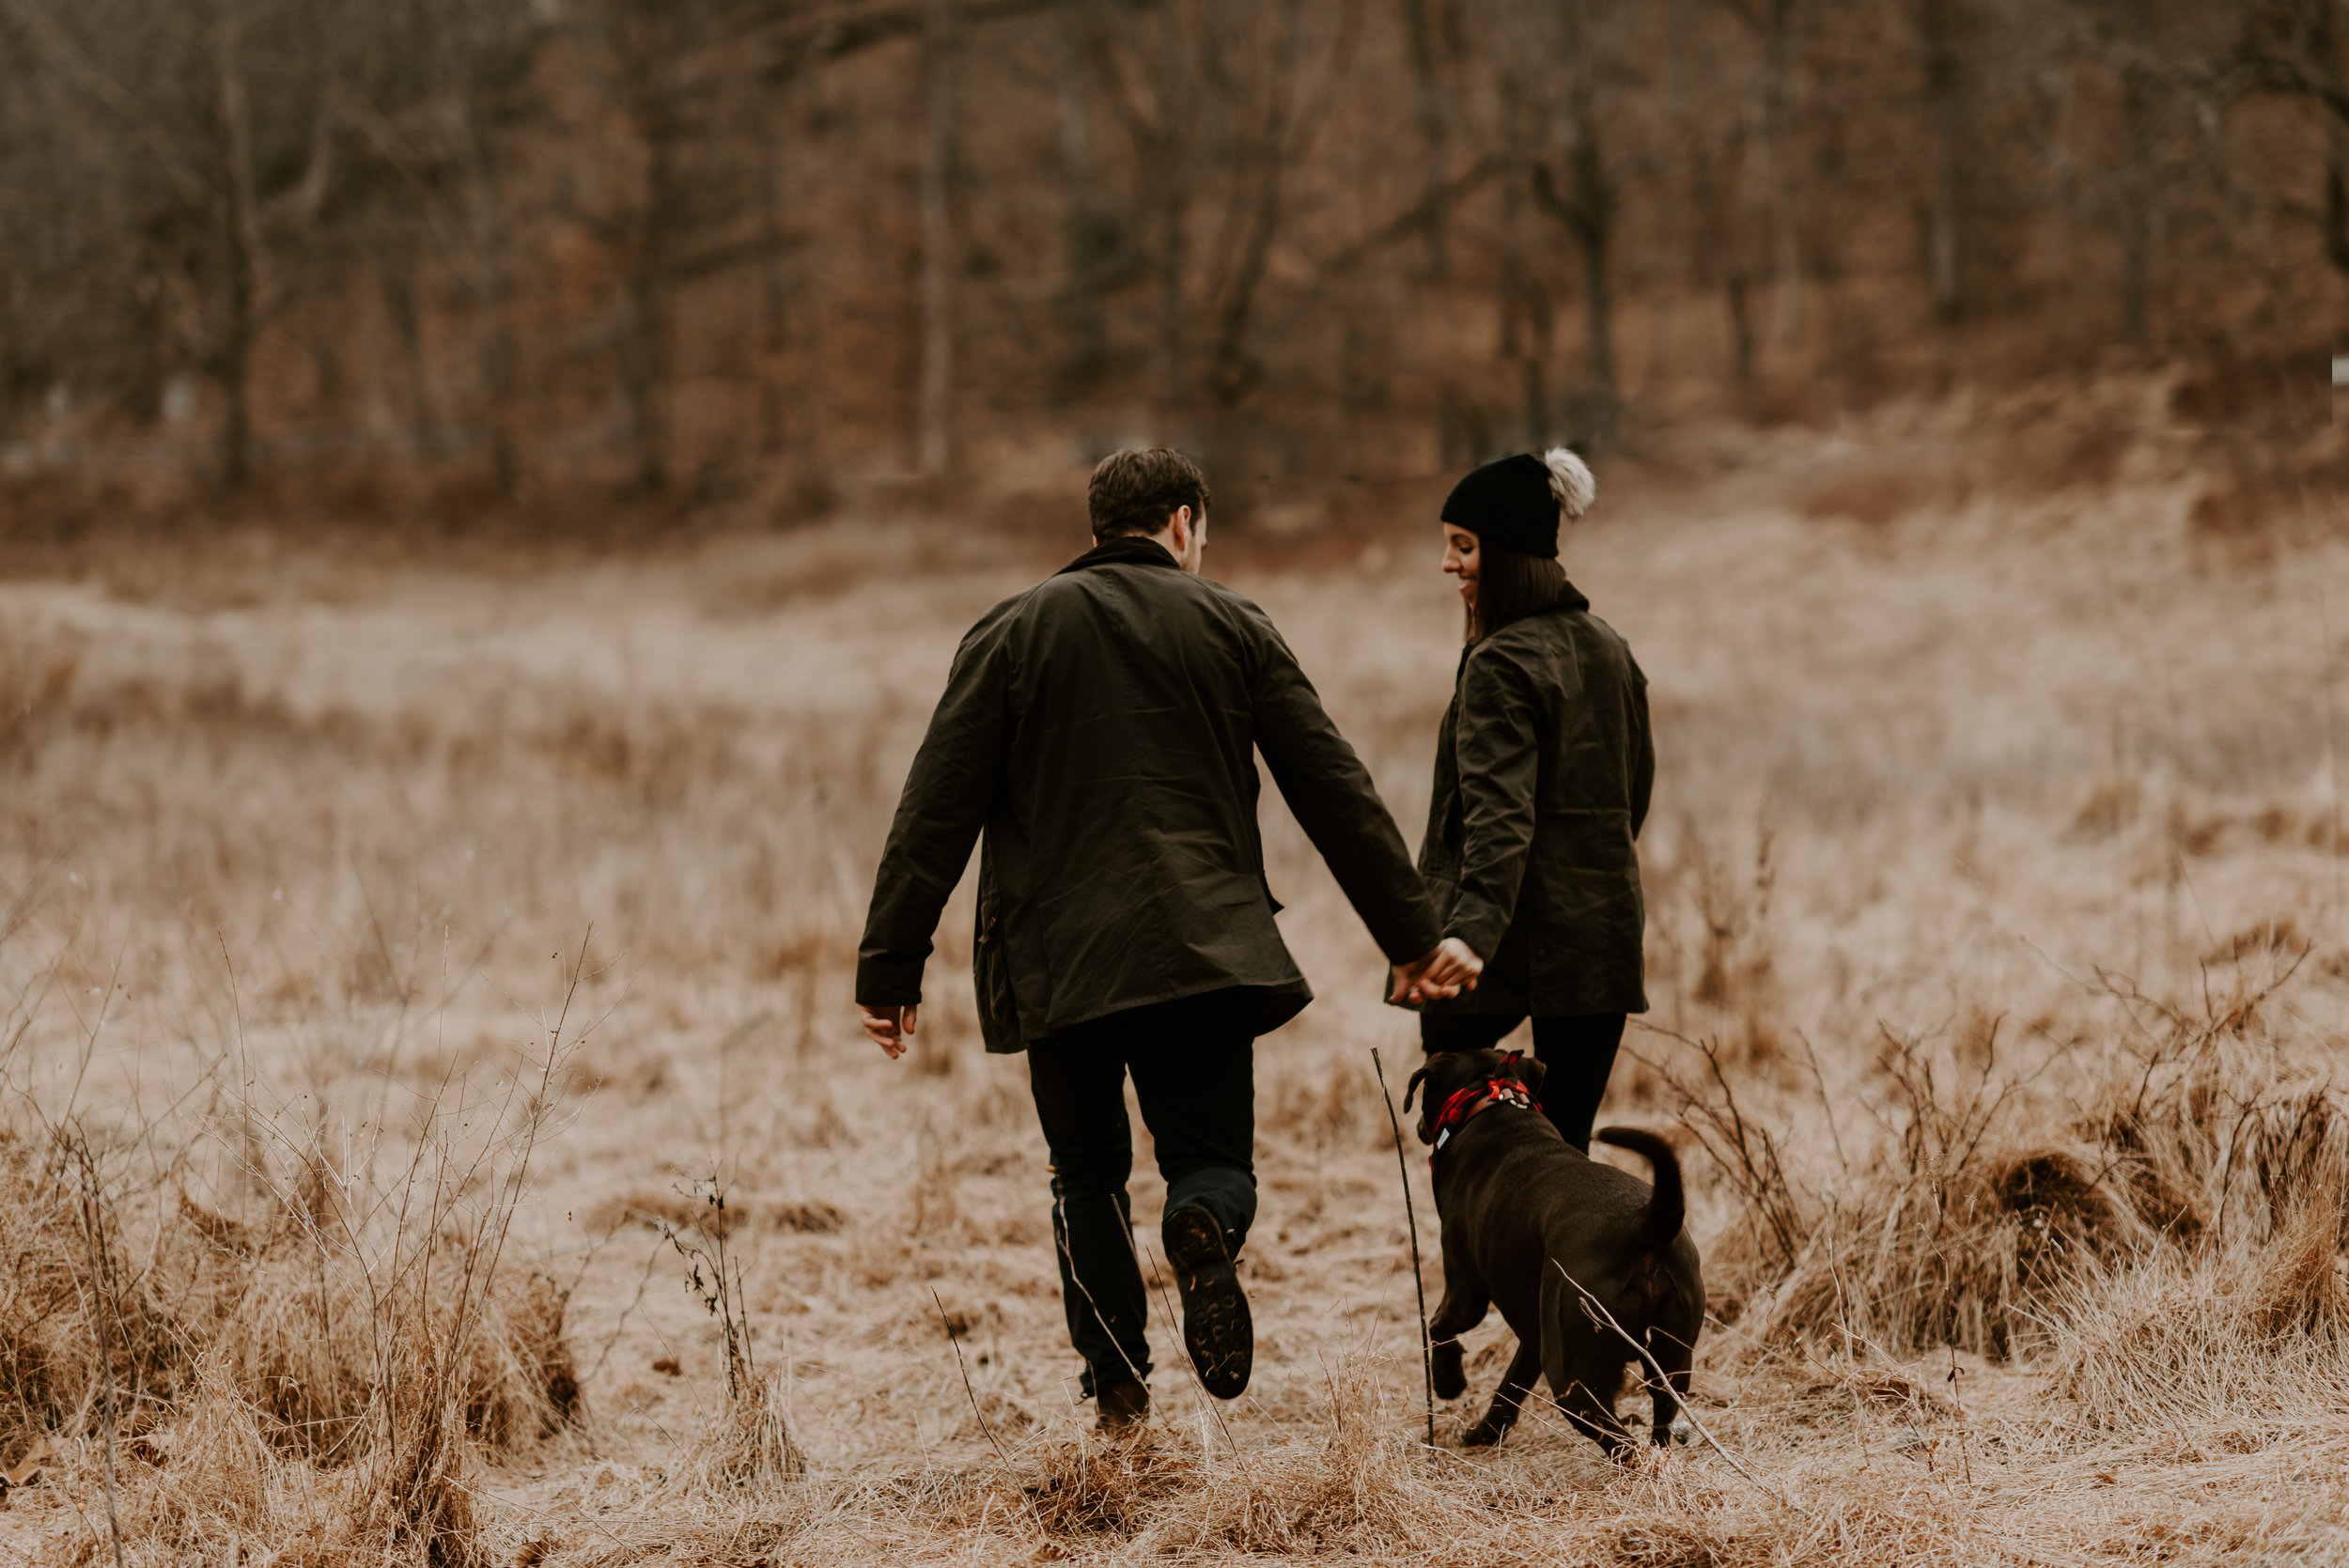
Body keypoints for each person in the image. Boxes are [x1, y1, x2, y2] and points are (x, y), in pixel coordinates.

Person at [856, 448, 1481, 1431]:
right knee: (1212, 1158)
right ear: (1185, 522)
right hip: (1202, 948)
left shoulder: (1011, 631)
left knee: (1086, 1175)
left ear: (1100, 525)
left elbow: (934, 808)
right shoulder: (1233, 622)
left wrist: (890, 967)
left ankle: (1116, 1395)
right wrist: (1408, 935)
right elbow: (1331, 784)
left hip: (1059, 962)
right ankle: (1204, 1224)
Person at [1399, 447, 1653, 1153]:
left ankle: (1486, 1267)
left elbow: (1498, 819)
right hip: (1599, 946)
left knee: (1467, 1157)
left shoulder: (1498, 664)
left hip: (1490, 952)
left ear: (1507, 553)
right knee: (1562, 1161)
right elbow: (1632, 799)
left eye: (1463, 546)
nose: (1448, 563)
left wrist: (1472, 933)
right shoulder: (1611, 648)